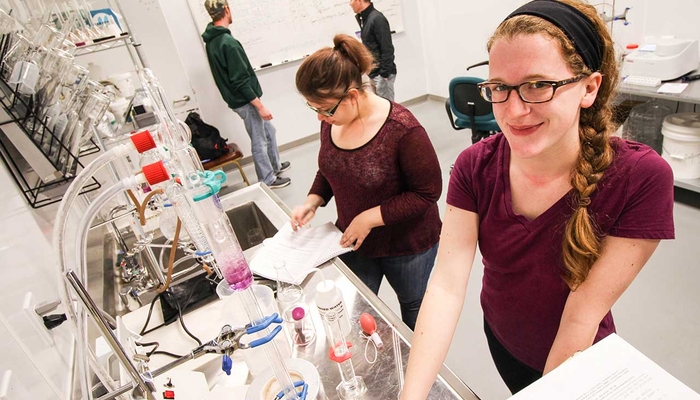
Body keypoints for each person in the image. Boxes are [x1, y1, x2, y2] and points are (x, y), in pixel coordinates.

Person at [400, 0, 675, 397]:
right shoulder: (474, 166)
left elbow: (581, 318)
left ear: (589, 88)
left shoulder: (639, 178)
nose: (514, 111)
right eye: (499, 88)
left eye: (538, 85)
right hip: (503, 339)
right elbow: (445, 284)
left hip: (579, 358)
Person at [291, 34, 442, 330]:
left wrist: (368, 219)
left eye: (325, 109)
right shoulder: (334, 120)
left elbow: (426, 193)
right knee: (356, 305)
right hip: (355, 240)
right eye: (314, 109)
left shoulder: (402, 130)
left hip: (407, 245)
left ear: (352, 96)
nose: (321, 118)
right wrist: (313, 200)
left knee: (412, 307)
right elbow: (332, 167)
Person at [202, 0, 291, 189]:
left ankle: (275, 166)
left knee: (269, 132)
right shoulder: (228, 43)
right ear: (226, 9)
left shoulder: (212, 41)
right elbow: (240, 80)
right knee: (259, 140)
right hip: (245, 101)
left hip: (239, 100)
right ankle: (268, 179)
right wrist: (260, 106)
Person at [350, 0, 397, 102]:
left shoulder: (377, 19)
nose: (350, 4)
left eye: (351, 0)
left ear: (360, 1)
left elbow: (387, 48)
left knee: (389, 109)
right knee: (380, 108)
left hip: (382, 74)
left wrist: (384, 74)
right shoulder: (365, 19)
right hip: (374, 73)